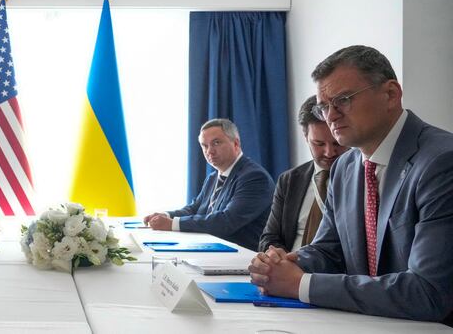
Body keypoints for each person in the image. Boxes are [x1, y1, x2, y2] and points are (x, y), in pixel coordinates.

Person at [249, 45, 453, 323]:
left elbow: (428, 292)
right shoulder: (345, 166)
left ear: (391, 94)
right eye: (324, 106)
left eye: (343, 100)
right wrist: (283, 264)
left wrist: (300, 284)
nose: (331, 116)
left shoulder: (441, 162)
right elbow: (329, 251)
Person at [144, 118, 274, 251]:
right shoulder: (213, 177)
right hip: (211, 250)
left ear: (236, 144)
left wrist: (173, 224)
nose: (209, 151)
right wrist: (166, 215)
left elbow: (226, 222)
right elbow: (194, 209)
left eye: (216, 143)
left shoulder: (254, 177)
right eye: (204, 146)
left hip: (241, 256)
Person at [258, 96, 348, 252]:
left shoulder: (360, 179)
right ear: (306, 137)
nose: (329, 152)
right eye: (319, 144)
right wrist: (278, 256)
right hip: (288, 267)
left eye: (337, 143)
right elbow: (269, 237)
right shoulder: (289, 180)